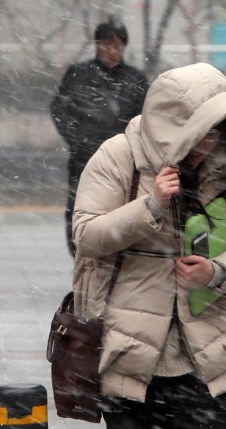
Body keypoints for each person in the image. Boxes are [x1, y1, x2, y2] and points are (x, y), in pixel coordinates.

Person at [72, 63, 226, 429]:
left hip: (203, 355)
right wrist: (153, 205)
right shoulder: (118, 156)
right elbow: (87, 235)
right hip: (129, 356)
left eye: (215, 131)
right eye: (200, 131)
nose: (206, 144)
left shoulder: (223, 168)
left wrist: (216, 270)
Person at [51, 20, 149, 257]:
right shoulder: (78, 74)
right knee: (80, 209)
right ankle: (81, 257)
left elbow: (145, 119)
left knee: (120, 210)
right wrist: (78, 140)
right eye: (106, 44)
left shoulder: (134, 79)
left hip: (124, 161)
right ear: (97, 45)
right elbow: (60, 109)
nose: (112, 51)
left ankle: (114, 259)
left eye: (117, 45)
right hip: (84, 158)